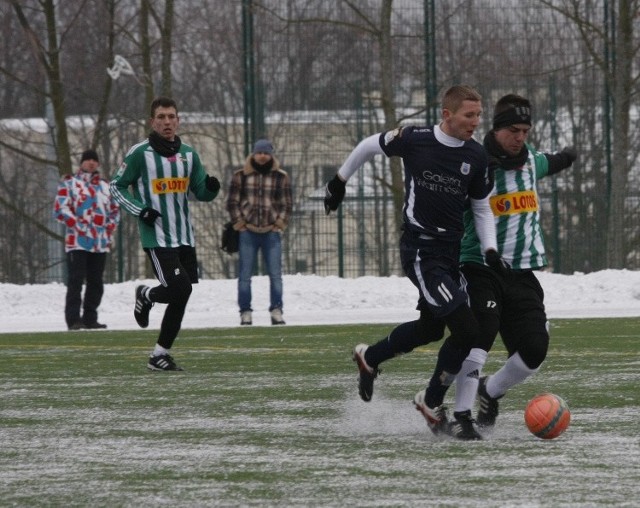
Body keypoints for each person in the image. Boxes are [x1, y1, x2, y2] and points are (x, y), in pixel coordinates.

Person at [324, 84, 507, 440]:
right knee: (468, 331)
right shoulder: (415, 139)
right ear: (447, 114)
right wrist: (339, 180)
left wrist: (489, 250)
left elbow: (482, 206)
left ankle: (371, 357)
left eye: (478, 115)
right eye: (469, 115)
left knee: (431, 329)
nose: (475, 122)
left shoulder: (476, 156)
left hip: (449, 253)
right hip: (421, 251)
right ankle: (431, 400)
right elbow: (368, 146)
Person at [452, 94, 577, 428]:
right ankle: (457, 412)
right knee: (479, 336)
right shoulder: (475, 162)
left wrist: (569, 156)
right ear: (496, 128)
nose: (519, 137)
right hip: (479, 266)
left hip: (521, 273)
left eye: (525, 130)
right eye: (513, 130)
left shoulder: (532, 161)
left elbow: (552, 161)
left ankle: (489, 392)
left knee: (535, 349)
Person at [110, 96, 221, 371]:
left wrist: (211, 188)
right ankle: (146, 295)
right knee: (179, 287)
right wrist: (140, 210)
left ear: (178, 120)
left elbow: (201, 192)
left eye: (171, 116)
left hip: (184, 236)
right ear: (152, 122)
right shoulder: (140, 153)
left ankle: (159, 354)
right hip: (157, 237)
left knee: (181, 294)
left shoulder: (188, 154)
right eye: (161, 117)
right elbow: (116, 187)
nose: (167, 122)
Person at [226, 139, 292, 326]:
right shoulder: (241, 176)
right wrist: (239, 223)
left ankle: (277, 310)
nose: (262, 156)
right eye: (259, 152)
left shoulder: (281, 177)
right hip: (248, 232)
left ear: (271, 155)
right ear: (253, 154)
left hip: (271, 232)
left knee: (276, 275)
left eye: (266, 153)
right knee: (245, 275)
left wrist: (280, 222)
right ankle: (245, 312)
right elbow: (232, 202)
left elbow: (287, 203)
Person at [54, 149, 120, 330]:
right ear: (82, 163)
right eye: (88, 159)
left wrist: (109, 228)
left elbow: (115, 210)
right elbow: (60, 209)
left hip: (100, 242)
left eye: (94, 160)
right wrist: (79, 225)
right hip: (77, 241)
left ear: (98, 164)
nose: (91, 163)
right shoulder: (70, 184)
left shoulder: (106, 186)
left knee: (96, 281)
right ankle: (73, 319)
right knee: (76, 280)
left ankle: (90, 318)